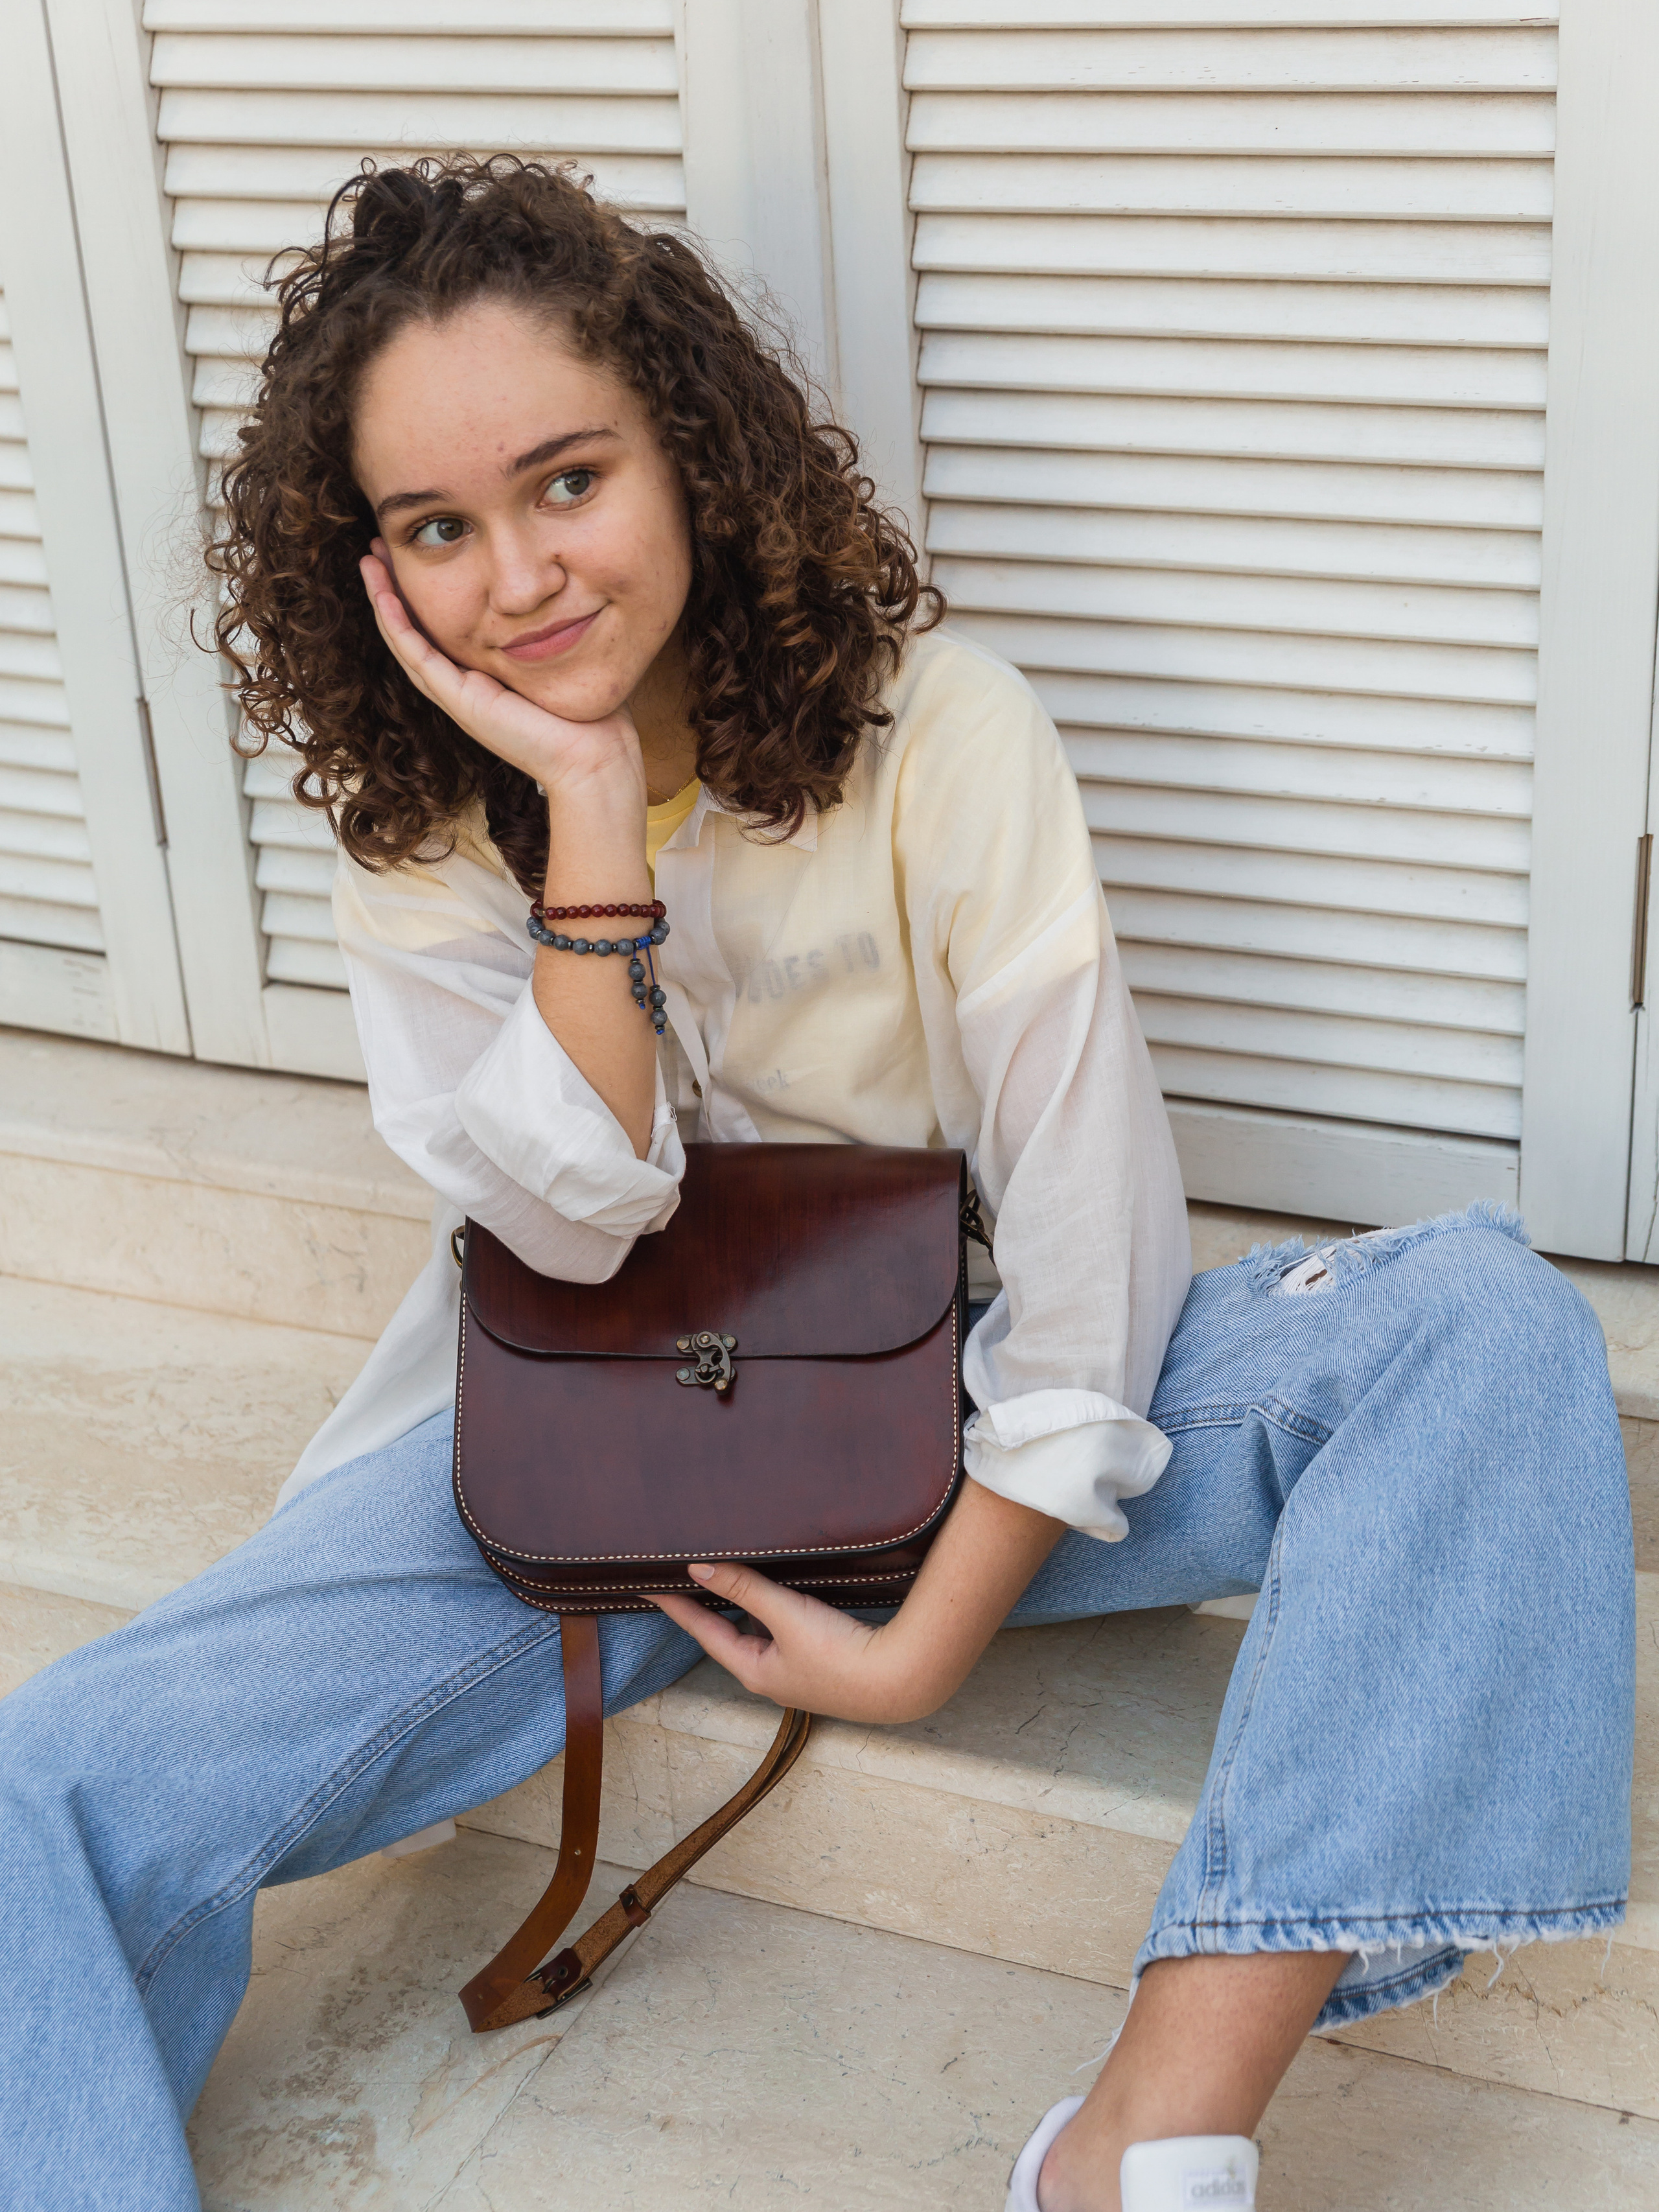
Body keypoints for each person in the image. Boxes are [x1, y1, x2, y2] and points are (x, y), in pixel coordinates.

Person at [0, 157, 1633, 2212]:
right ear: (376, 573)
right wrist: (589, 823)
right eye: (438, 529)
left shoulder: (947, 734)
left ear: (685, 451)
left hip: (947, 1419)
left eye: (566, 481)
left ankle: (1151, 2133)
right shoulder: (424, 837)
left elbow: (1088, 1232)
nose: (517, 578)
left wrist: (923, 1643)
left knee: (1477, 1320)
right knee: (38, 1791)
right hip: (573, 1469)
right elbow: (566, 1228)